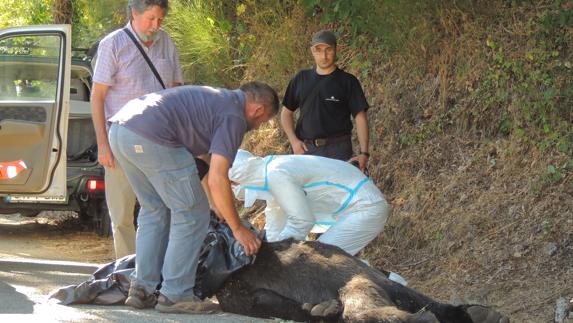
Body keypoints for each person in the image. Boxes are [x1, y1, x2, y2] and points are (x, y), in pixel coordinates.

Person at [108, 82, 279, 313]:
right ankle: (175, 294)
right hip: (152, 137)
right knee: (192, 214)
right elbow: (216, 179)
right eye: (262, 121)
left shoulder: (217, 99)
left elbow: (206, 160)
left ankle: (142, 289)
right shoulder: (234, 117)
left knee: (154, 209)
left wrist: (217, 198)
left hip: (122, 131)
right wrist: (237, 228)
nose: (258, 127)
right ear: (258, 110)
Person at [91, 0, 183, 259]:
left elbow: (177, 93)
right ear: (134, 13)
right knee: (121, 214)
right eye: (150, 19)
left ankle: (157, 271)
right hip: (120, 139)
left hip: (162, 141)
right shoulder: (113, 44)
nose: (155, 26)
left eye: (160, 20)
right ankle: (127, 272)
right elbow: (97, 97)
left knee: (161, 210)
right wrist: (102, 144)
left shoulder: (167, 42)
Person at [228, 149, 389, 256]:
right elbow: (276, 220)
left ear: (241, 178)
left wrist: (275, 254)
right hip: (353, 208)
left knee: (322, 260)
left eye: (231, 184)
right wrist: (266, 249)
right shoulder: (271, 175)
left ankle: (397, 289)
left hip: (365, 206)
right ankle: (391, 284)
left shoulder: (275, 174)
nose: (232, 190)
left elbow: (302, 221)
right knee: (332, 261)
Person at [281, 30, 371, 171]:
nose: (324, 56)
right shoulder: (300, 79)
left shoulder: (348, 82)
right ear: (312, 51)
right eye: (319, 50)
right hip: (306, 151)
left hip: (339, 151)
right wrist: (294, 142)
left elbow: (360, 118)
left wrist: (364, 153)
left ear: (337, 49)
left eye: (328, 50)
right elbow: (286, 113)